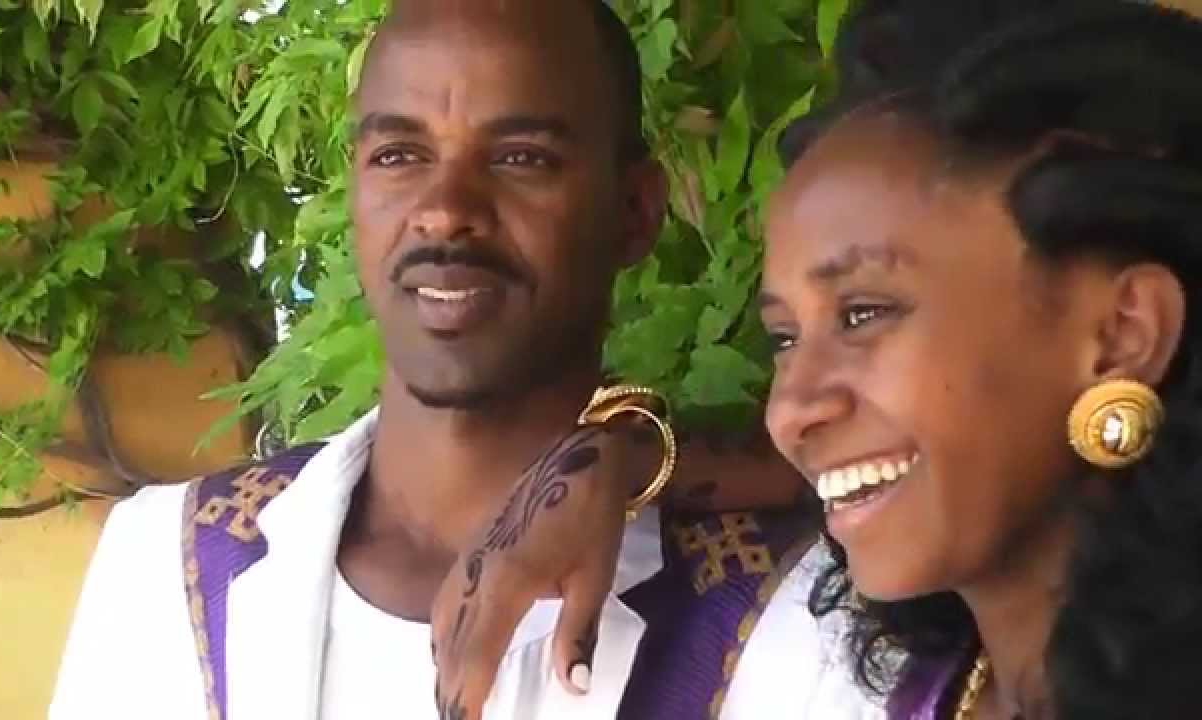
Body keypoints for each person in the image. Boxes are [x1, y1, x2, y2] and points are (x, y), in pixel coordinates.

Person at [49, 2, 879, 719]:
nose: (444, 212)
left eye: (521, 158)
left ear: (634, 212)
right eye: (398, 155)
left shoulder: (794, 611)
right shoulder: (168, 566)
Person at [444, 1, 1202, 718]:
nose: (790, 411)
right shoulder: (906, 684)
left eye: (864, 314)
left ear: (1121, 333)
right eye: (784, 338)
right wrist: (618, 456)